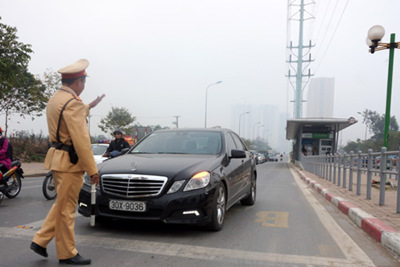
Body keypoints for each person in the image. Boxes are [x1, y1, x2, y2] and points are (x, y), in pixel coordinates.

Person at [30, 59, 105, 265]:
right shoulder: (73, 103)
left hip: (57, 159)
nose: (84, 86)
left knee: (61, 204)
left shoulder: (56, 99)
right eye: (83, 81)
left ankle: (40, 240)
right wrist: (93, 170)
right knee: (66, 209)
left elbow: (68, 115)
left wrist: (89, 106)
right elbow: (82, 142)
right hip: (71, 164)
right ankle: (67, 253)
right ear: (78, 82)